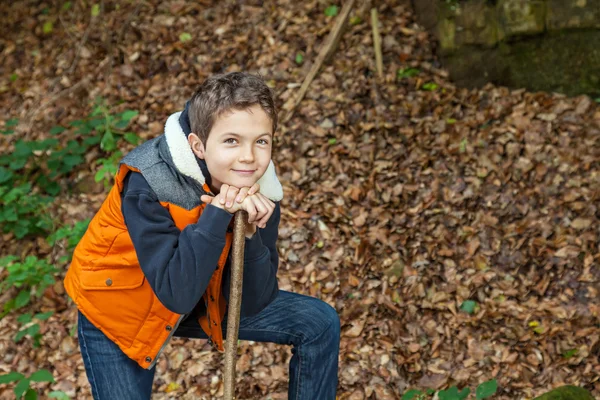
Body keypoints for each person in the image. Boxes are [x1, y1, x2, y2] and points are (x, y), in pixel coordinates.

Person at [63, 72, 340, 399]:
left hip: (196, 288)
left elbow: (252, 301)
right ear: (198, 145)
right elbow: (175, 292)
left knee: (318, 323)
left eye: (261, 141)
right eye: (231, 141)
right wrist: (217, 214)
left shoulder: (260, 187)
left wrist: (250, 237)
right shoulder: (148, 183)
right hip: (121, 303)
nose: (249, 157)